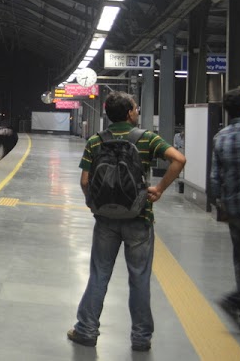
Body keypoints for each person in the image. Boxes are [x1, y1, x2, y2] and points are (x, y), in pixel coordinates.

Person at [67, 91, 185, 352]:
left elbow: (85, 181)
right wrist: (160, 188)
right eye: (135, 108)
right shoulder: (147, 139)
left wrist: (92, 204)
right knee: (139, 277)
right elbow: (179, 159)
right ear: (130, 113)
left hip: (106, 219)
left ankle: (86, 330)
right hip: (139, 217)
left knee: (99, 274)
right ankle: (141, 338)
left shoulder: (96, 141)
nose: (137, 111)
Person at [211, 86, 240, 331]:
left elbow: (215, 178)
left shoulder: (221, 136)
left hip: (234, 209)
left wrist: (221, 205)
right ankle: (236, 300)